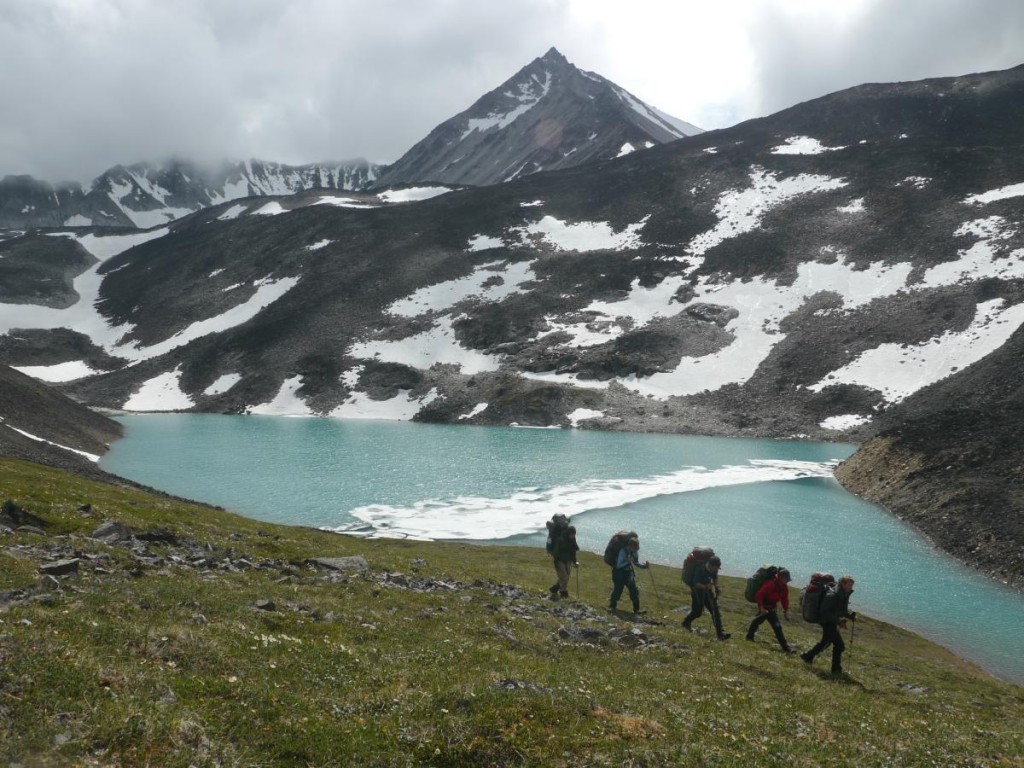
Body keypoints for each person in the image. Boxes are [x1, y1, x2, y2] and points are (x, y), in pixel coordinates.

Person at [801, 574, 856, 675]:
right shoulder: (833, 595)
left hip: (831, 621)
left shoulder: (843, 593)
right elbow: (824, 612)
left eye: (852, 585)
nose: (851, 587)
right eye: (849, 585)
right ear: (842, 583)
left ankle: (807, 656)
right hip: (826, 621)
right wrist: (838, 622)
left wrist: (849, 616)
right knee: (839, 645)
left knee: (826, 641)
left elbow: (842, 609)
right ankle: (836, 670)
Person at [745, 567, 795, 652]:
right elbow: (759, 595)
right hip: (765, 607)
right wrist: (761, 608)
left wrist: (786, 610)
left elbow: (784, 599)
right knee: (775, 626)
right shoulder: (770, 584)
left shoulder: (784, 587)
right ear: (781, 577)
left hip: (772, 608)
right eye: (786, 579)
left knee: (759, 621)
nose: (787, 581)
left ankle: (749, 636)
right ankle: (786, 647)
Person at [682, 555, 730, 640]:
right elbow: (695, 583)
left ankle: (720, 634)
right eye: (716, 568)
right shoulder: (700, 568)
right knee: (697, 612)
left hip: (708, 591)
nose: (716, 570)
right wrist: (705, 586)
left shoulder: (714, 569)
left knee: (715, 611)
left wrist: (716, 588)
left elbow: (715, 578)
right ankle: (686, 623)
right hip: (697, 592)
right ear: (711, 565)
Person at [608, 535, 648, 614]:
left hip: (628, 572)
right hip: (618, 573)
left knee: (634, 590)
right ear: (630, 546)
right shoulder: (623, 551)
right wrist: (627, 562)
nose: (636, 550)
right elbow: (619, 565)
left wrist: (644, 566)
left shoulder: (634, 551)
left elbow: (635, 562)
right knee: (618, 589)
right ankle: (612, 606)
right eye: (635, 548)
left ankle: (636, 609)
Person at [548, 523, 579, 599]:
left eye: (574, 535)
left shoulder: (572, 539)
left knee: (566, 577)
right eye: (572, 534)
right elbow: (556, 552)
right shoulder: (561, 539)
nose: (573, 536)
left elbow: (573, 551)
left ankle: (560, 590)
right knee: (564, 577)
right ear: (569, 533)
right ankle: (558, 589)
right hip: (559, 560)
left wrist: (575, 561)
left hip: (567, 560)